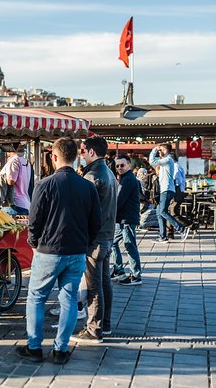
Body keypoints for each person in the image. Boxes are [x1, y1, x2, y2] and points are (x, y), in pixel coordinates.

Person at [16, 137, 101, 365]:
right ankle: (61, 349)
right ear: (75, 157)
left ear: (54, 157)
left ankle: (34, 347)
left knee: (36, 297)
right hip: (76, 252)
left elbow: (34, 222)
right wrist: (85, 244)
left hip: (48, 251)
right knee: (69, 299)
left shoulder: (44, 185)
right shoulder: (88, 186)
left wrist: (34, 244)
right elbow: (96, 223)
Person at [75, 135, 117, 343]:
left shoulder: (93, 175)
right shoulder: (108, 171)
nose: (81, 156)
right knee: (104, 282)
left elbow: (84, 209)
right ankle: (105, 324)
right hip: (107, 234)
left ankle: (94, 329)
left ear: (91, 152)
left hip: (95, 238)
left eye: (83, 151)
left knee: (94, 285)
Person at [111, 155, 142, 286]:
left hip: (127, 218)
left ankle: (136, 275)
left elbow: (119, 200)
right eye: (117, 166)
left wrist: (108, 213)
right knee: (112, 242)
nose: (119, 168)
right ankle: (118, 269)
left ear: (129, 165)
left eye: (122, 165)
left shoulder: (128, 180)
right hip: (122, 218)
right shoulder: (125, 178)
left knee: (130, 245)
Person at [149, 144, 188, 242]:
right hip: (164, 190)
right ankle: (163, 236)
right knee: (159, 213)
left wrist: (154, 149)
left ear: (166, 151)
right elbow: (154, 164)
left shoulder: (168, 160)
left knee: (163, 211)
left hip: (167, 190)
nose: (159, 151)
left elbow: (152, 161)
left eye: (161, 150)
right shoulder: (164, 162)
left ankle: (180, 228)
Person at [0, 144, 33, 216]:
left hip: (15, 205)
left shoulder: (14, 161)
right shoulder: (25, 161)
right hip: (24, 202)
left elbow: (11, 181)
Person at [169, 153, 193, 233]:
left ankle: (189, 224)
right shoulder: (177, 166)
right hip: (179, 191)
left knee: (173, 212)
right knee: (171, 211)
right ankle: (171, 231)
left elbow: (177, 180)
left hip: (177, 191)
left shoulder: (175, 167)